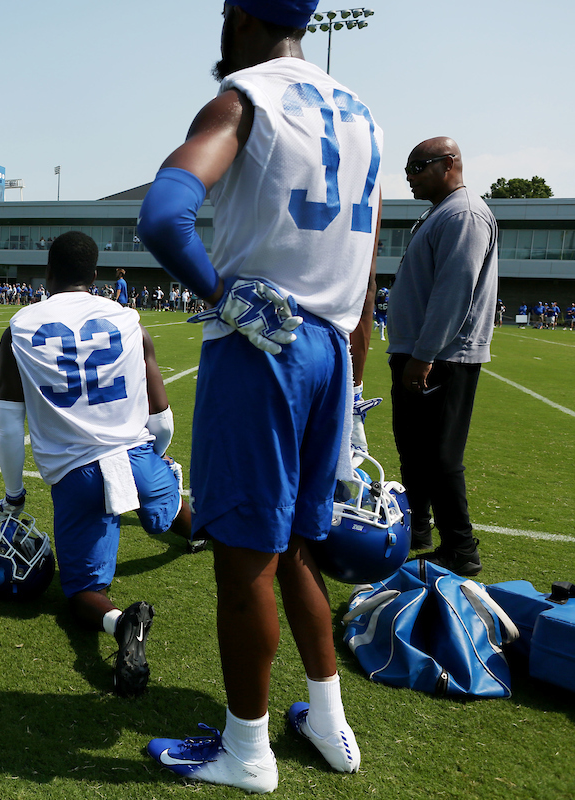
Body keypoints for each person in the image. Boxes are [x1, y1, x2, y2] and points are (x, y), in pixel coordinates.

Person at [135, 1, 382, 790]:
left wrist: (221, 293)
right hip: (333, 349)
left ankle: (247, 752)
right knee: (301, 545)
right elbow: (369, 269)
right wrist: (354, 372)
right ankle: (329, 720)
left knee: (246, 558)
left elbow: (164, 216)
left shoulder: (244, 96)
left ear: (239, 13)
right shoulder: (362, 111)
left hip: (263, 343)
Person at [0, 231, 191, 696]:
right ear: (96, 276)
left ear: (47, 274)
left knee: (83, 592)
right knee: (176, 508)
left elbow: (9, 428)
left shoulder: (19, 328)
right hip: (137, 458)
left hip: (77, 474)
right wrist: (159, 460)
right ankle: (206, 535)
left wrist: (14, 496)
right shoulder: (128, 321)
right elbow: (161, 418)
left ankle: (120, 623)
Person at [388, 137, 496, 576]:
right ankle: (418, 528)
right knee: (414, 449)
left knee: (440, 455)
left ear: (450, 164)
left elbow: (455, 291)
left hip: (443, 356)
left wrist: (425, 353)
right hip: (422, 352)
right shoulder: (441, 212)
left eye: (418, 167)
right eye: (409, 168)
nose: (410, 176)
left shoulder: (464, 214)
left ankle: (461, 548)